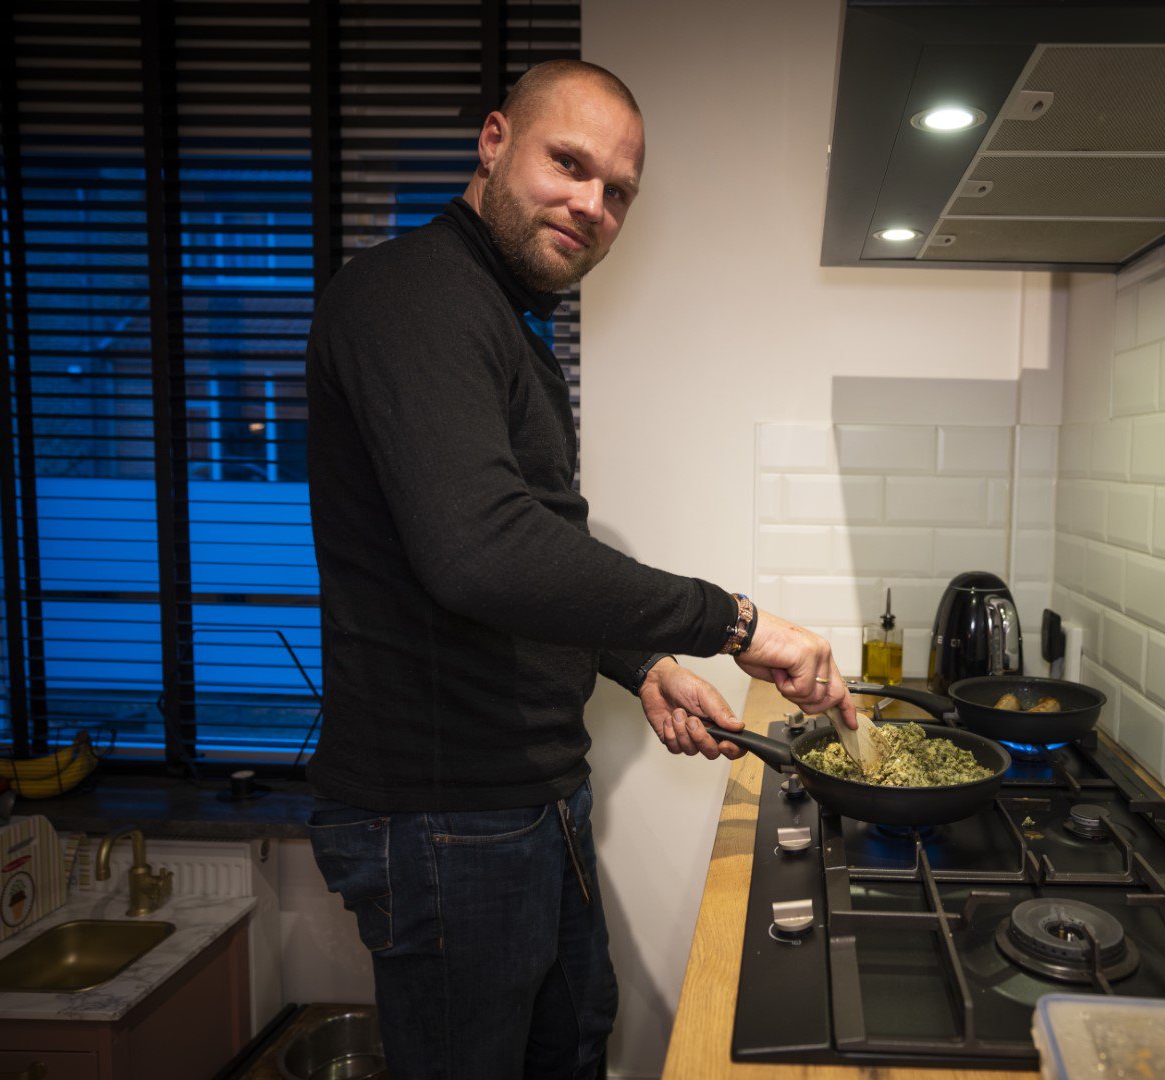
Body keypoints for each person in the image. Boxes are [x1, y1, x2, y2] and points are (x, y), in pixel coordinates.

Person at [302, 59, 858, 1079]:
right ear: (494, 140)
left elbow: (539, 547)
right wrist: (737, 624)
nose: (592, 204)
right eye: (570, 163)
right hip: (446, 818)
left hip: (527, 800)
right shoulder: (412, 298)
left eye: (619, 192)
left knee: (572, 1054)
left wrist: (643, 664)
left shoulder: (502, 324)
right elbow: (482, 553)